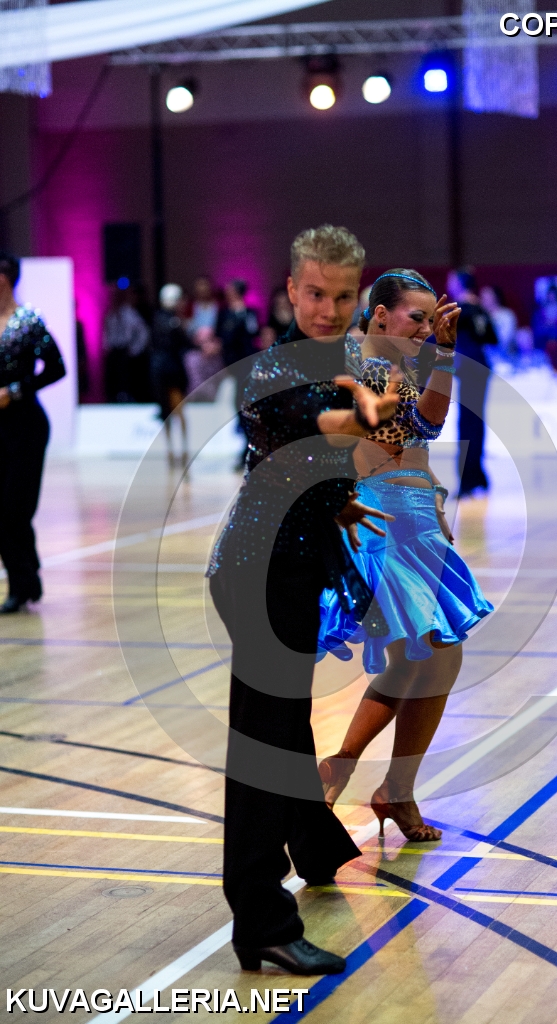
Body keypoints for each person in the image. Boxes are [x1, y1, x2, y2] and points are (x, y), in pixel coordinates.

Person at [207, 226, 400, 976]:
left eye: (343, 296)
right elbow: (325, 425)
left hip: (295, 563)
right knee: (263, 740)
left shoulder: (344, 356)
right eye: (315, 293)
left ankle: (315, 847)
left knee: (286, 721)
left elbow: (316, 456)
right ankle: (261, 919)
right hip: (258, 571)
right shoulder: (271, 371)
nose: (328, 308)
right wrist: (364, 414)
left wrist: (334, 500)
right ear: (291, 290)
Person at [316, 270, 492, 840]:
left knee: (439, 657)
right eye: (417, 318)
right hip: (375, 520)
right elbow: (389, 434)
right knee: (421, 652)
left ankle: (394, 789)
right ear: (380, 313)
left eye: (431, 320)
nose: (425, 328)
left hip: (416, 519)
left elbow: (422, 436)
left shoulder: (402, 365)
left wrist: (441, 354)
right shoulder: (349, 360)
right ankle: (345, 767)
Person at [0, 251, 66, 613]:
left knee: (14, 508)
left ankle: (22, 582)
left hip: (25, 425)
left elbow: (56, 368)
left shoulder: (28, 322)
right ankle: (26, 577)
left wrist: (15, 391)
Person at [447, 270, 498, 497]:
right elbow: (492, 338)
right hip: (482, 368)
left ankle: (467, 479)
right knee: (477, 421)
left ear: (459, 284)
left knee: (466, 422)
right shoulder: (481, 309)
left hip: (468, 369)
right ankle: (478, 475)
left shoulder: (459, 309)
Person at [217, 279, 262, 468]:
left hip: (248, 365)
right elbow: (221, 337)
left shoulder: (249, 313)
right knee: (237, 404)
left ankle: (249, 448)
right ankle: (247, 445)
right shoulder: (224, 314)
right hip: (232, 365)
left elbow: (254, 333)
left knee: (246, 404)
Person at [151, 284, 191, 465]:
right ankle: (180, 450)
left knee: (167, 412)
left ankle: (174, 451)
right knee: (175, 410)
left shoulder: (159, 319)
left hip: (161, 371)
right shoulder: (173, 322)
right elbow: (184, 343)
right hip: (171, 372)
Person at [103, 286, 150, 403]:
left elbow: (143, 331)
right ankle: (114, 397)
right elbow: (106, 331)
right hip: (114, 349)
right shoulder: (111, 313)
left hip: (126, 349)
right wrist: (106, 346)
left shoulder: (130, 313)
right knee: (113, 377)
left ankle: (126, 396)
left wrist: (135, 349)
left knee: (126, 375)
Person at [184, 325, 225, 401]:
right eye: (207, 340)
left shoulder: (217, 358)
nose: (212, 344)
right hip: (196, 398)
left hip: (216, 399)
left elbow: (223, 379)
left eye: (212, 339)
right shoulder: (191, 358)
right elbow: (197, 384)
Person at [480, 284, 517, 357]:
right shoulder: (480, 317)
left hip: (506, 356)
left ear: (495, 298)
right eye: (482, 298)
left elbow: (506, 340)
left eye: (487, 297)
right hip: (484, 358)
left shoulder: (506, 315)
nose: (483, 300)